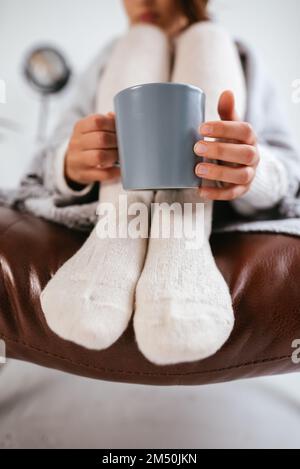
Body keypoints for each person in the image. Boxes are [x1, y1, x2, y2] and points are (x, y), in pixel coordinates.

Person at [3, 0, 300, 365]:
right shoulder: (107, 61)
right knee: (137, 42)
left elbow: (289, 173)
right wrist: (71, 162)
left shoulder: (242, 59)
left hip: (213, 207)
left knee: (209, 38)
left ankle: (181, 235)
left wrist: (253, 168)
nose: (142, 0)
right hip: (114, 201)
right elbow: (44, 165)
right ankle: (120, 227)